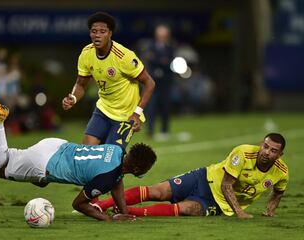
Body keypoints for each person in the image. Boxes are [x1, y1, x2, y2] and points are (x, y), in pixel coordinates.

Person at [0, 90, 157, 221]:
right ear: (136, 169)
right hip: (45, 163)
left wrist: (123, 211)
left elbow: (124, 131)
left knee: (39, 182)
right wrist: (108, 219)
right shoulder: (107, 177)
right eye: (146, 169)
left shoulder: (118, 149)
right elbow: (78, 204)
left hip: (56, 145)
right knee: (2, 168)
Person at [94, 133, 288, 218]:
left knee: (187, 209)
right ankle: (98, 206)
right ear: (261, 144)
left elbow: (278, 192)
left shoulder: (281, 172)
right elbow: (226, 185)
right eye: (265, 146)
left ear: (279, 155)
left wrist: (271, 209)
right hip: (203, 178)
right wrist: (240, 212)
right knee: (159, 192)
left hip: (218, 203)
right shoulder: (243, 153)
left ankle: (124, 212)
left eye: (273, 151)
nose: (266, 152)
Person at [62, 12, 155, 150]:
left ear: (110, 33)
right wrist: (73, 97)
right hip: (103, 110)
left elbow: (149, 83)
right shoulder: (86, 54)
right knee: (84, 153)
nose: (97, 35)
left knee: (110, 159)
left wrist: (137, 113)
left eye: (102, 31)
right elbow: (81, 84)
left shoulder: (124, 56)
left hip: (125, 116)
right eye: (94, 31)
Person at [140, 24, 175, 141]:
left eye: (164, 35)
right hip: (153, 83)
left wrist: (158, 60)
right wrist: (161, 61)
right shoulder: (150, 47)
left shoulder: (170, 47)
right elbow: (151, 59)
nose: (163, 37)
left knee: (165, 106)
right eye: (160, 35)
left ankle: (164, 131)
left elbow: (169, 61)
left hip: (166, 83)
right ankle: (150, 131)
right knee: (151, 107)